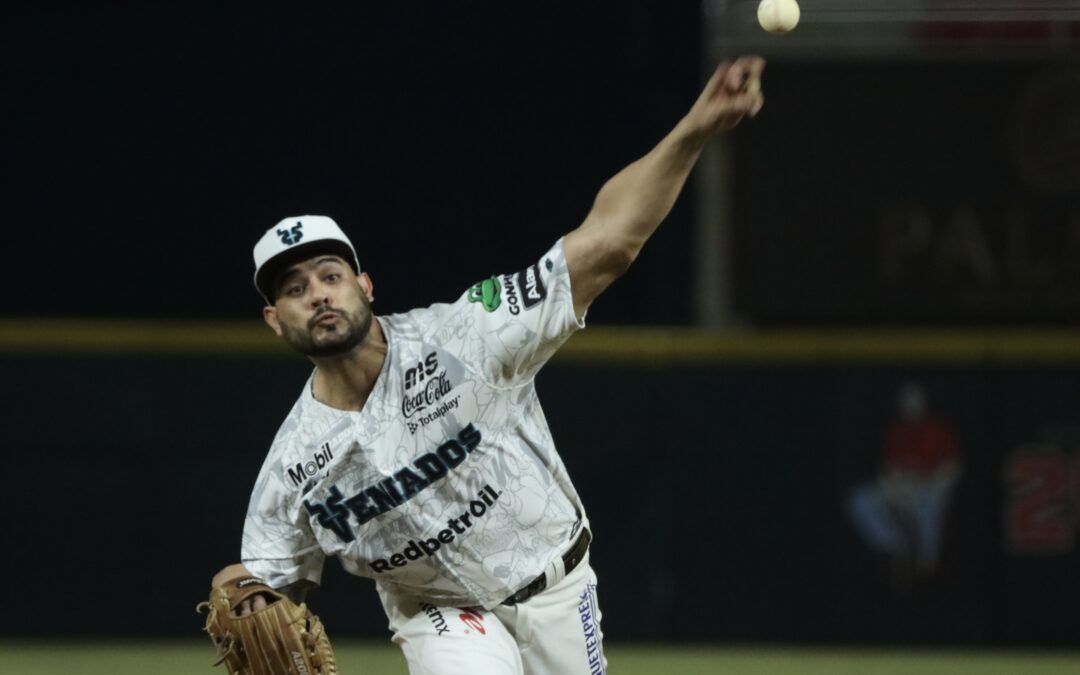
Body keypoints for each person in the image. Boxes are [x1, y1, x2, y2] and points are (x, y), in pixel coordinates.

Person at [211, 56, 765, 675]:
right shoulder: (294, 461)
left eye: (330, 275)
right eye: (293, 288)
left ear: (365, 286)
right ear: (274, 319)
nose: (316, 294)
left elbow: (606, 243)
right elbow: (263, 583)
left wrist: (694, 127)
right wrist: (252, 589)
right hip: (440, 613)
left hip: (558, 583)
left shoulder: (465, 334)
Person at [847, 381, 963, 587]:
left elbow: (953, 468)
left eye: (914, 401)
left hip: (931, 489)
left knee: (929, 506)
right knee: (859, 498)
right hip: (904, 489)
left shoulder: (938, 430)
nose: (910, 406)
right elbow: (889, 469)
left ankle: (927, 564)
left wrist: (930, 483)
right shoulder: (896, 430)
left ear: (923, 403)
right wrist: (894, 484)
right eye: (906, 402)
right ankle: (894, 546)